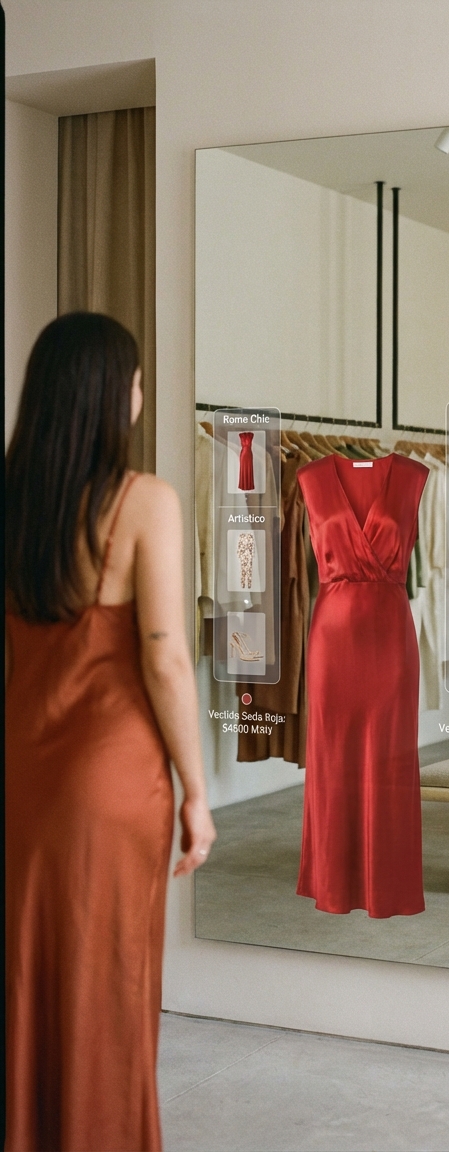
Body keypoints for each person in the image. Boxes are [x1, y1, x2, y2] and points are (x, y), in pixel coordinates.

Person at [5, 313, 216, 1151]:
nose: (138, 397)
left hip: (25, 768)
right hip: (114, 775)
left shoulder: (16, 501)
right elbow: (164, 660)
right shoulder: (142, 502)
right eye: (134, 382)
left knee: (33, 973)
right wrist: (198, 792)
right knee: (109, 980)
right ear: (108, 397)